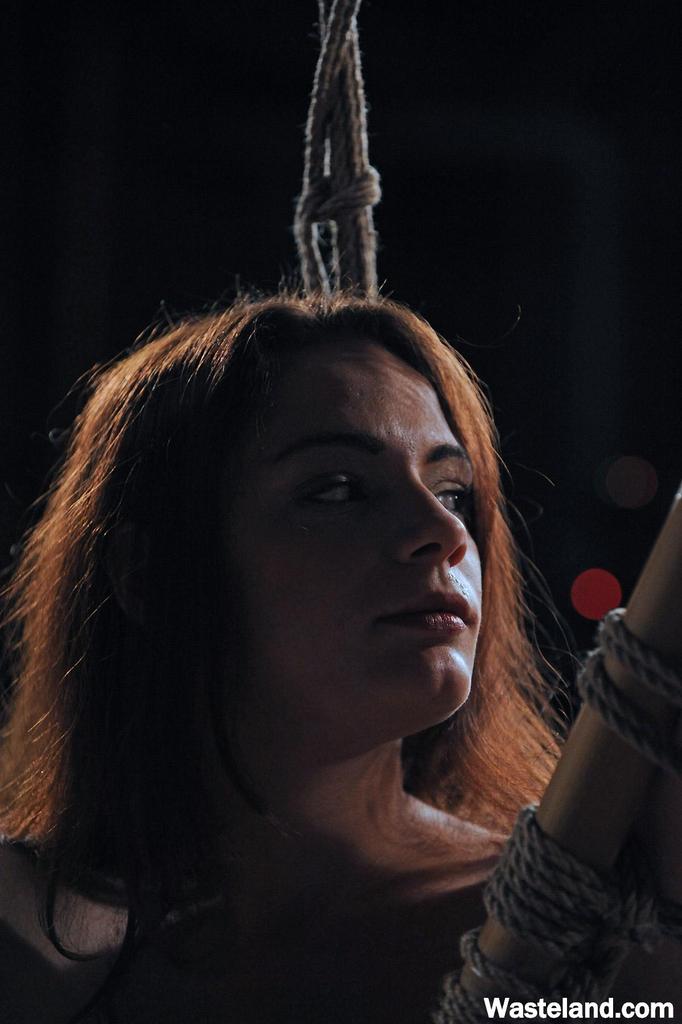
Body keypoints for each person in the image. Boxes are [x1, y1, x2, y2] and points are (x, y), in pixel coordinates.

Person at [0, 292, 678, 1023]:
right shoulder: (27, 941)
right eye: (338, 489)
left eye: (453, 492)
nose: (443, 532)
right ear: (152, 573)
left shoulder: (588, 945)